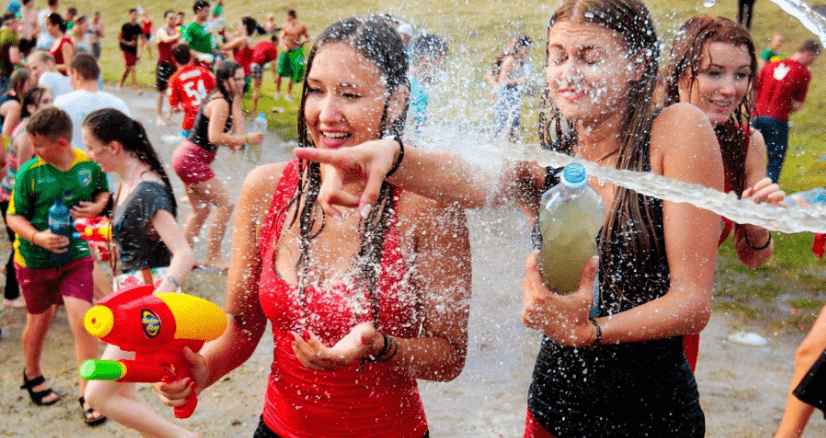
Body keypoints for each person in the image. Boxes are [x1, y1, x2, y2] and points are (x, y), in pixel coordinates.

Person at [295, 1, 725, 436]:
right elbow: (469, 177)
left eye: (588, 57)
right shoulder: (549, 164)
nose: (567, 73)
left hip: (654, 419)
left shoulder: (675, 130)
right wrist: (392, 156)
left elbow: (692, 303)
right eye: (557, 57)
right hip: (550, 411)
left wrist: (589, 332)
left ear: (636, 64)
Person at [156, 17, 471, 438]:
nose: (326, 114)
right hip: (278, 428)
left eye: (350, 95)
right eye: (317, 90)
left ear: (396, 102)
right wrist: (204, 368)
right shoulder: (267, 188)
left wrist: (379, 346)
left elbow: (449, 357)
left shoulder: (430, 205)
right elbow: (243, 322)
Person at [663, 15, 786, 372]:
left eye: (742, 75)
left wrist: (757, 222)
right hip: (613, 311)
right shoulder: (645, 131)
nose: (730, 89)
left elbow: (754, 259)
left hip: (680, 325)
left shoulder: (747, 145)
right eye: (714, 73)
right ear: (681, 72)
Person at [81, 108, 197, 438]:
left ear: (113, 147)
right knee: (124, 392)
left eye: (92, 147)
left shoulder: (147, 190)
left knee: (97, 394)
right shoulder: (127, 183)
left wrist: (156, 303)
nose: (90, 155)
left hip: (143, 308)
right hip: (129, 302)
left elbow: (184, 254)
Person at [7, 106, 109, 424]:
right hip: (35, 260)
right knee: (40, 322)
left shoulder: (88, 165)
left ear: (61, 144)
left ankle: (88, 394)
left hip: (76, 256)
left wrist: (98, 204)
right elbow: (13, 216)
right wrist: (38, 237)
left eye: (38, 146)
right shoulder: (29, 173)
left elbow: (103, 191)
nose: (32, 151)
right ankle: (33, 373)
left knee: (82, 322)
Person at [170, 61, 259, 271]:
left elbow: (236, 115)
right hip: (192, 158)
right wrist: (245, 139)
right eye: (236, 79)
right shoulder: (220, 103)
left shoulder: (227, 99)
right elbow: (215, 136)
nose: (241, 82)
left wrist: (239, 135)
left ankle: (182, 258)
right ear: (224, 79)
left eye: (241, 78)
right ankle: (214, 256)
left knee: (200, 210)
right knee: (225, 204)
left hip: (185, 157)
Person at [0, 86, 52, 310]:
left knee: (23, 245)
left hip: (20, 196)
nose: (50, 104)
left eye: (51, 100)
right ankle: (11, 295)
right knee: (20, 245)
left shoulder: (38, 129)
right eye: (44, 102)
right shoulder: (27, 135)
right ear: (31, 107)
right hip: (12, 198)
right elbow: (24, 176)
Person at [752, 39, 820, 183]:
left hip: (756, 116)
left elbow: (754, 88)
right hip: (778, 119)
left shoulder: (771, 65)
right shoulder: (803, 72)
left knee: (749, 157)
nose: (813, 62)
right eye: (814, 58)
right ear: (807, 54)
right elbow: (797, 105)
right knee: (774, 162)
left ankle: (741, 190)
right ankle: (766, 197)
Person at [55, 53, 130, 151]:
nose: (69, 82)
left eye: (69, 76)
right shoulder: (117, 103)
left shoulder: (60, 103)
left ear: (76, 74)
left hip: (75, 163)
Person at [167, 43, 215, 138]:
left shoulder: (174, 79)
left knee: (188, 151)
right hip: (209, 120)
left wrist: (183, 107)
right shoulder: (203, 71)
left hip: (190, 123)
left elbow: (173, 107)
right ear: (190, 57)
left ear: (174, 60)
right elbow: (217, 88)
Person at [492, 35, 532, 142]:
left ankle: (516, 153)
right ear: (520, 47)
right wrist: (519, 81)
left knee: (514, 130)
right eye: (527, 48)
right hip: (505, 100)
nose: (528, 51)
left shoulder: (521, 62)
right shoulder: (510, 60)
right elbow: (501, 80)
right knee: (500, 130)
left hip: (514, 100)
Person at [407, 34, 447, 136]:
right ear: (426, 60)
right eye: (442, 60)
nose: (444, 67)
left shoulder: (409, 82)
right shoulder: (417, 91)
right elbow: (407, 133)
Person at [274, 9, 309, 102]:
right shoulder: (286, 25)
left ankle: (288, 94)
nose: (286, 17)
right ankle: (277, 93)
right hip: (287, 51)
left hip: (296, 50)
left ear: (291, 16)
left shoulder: (301, 26)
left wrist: (303, 41)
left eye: (287, 16)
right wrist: (284, 45)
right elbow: (281, 38)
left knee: (293, 72)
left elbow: (308, 37)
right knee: (280, 71)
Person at [216, 16, 257, 90]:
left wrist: (214, 33)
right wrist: (223, 31)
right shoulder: (248, 39)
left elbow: (224, 47)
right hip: (246, 77)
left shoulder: (243, 39)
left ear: (245, 26)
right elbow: (233, 42)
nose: (238, 26)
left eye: (240, 24)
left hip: (239, 77)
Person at [155, 10, 180, 126]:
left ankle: (170, 115)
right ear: (165, 19)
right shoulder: (161, 31)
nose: (173, 20)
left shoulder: (175, 31)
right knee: (162, 92)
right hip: (163, 65)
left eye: (174, 18)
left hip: (173, 65)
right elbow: (165, 40)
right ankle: (159, 117)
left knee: (173, 91)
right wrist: (178, 35)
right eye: (170, 18)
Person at [181, 0, 223, 66]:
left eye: (208, 11)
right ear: (198, 11)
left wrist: (222, 53)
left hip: (208, 64)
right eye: (206, 11)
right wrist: (200, 55)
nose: (208, 14)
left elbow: (208, 49)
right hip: (195, 65)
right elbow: (184, 48)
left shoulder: (206, 27)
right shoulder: (190, 27)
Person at [1, 68, 33, 139]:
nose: (34, 84)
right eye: (30, 81)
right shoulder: (12, 104)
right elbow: (5, 137)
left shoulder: (23, 103)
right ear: (19, 83)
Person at [249, 35, 278, 114]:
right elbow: (273, 63)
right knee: (256, 89)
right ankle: (253, 111)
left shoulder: (262, 42)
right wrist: (274, 76)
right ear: (276, 42)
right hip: (258, 66)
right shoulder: (273, 48)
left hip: (250, 63)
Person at [117, 8, 141, 94]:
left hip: (134, 50)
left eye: (136, 14)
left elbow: (141, 38)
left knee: (128, 69)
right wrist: (128, 43)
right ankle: (136, 87)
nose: (135, 16)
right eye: (134, 14)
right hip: (125, 49)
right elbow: (119, 38)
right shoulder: (125, 26)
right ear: (130, 15)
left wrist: (139, 51)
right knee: (132, 68)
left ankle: (120, 83)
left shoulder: (138, 27)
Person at [0, 12, 22, 93]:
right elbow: (14, 60)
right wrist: (26, 65)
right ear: (11, 23)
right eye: (16, 22)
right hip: (6, 75)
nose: (18, 24)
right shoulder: (11, 37)